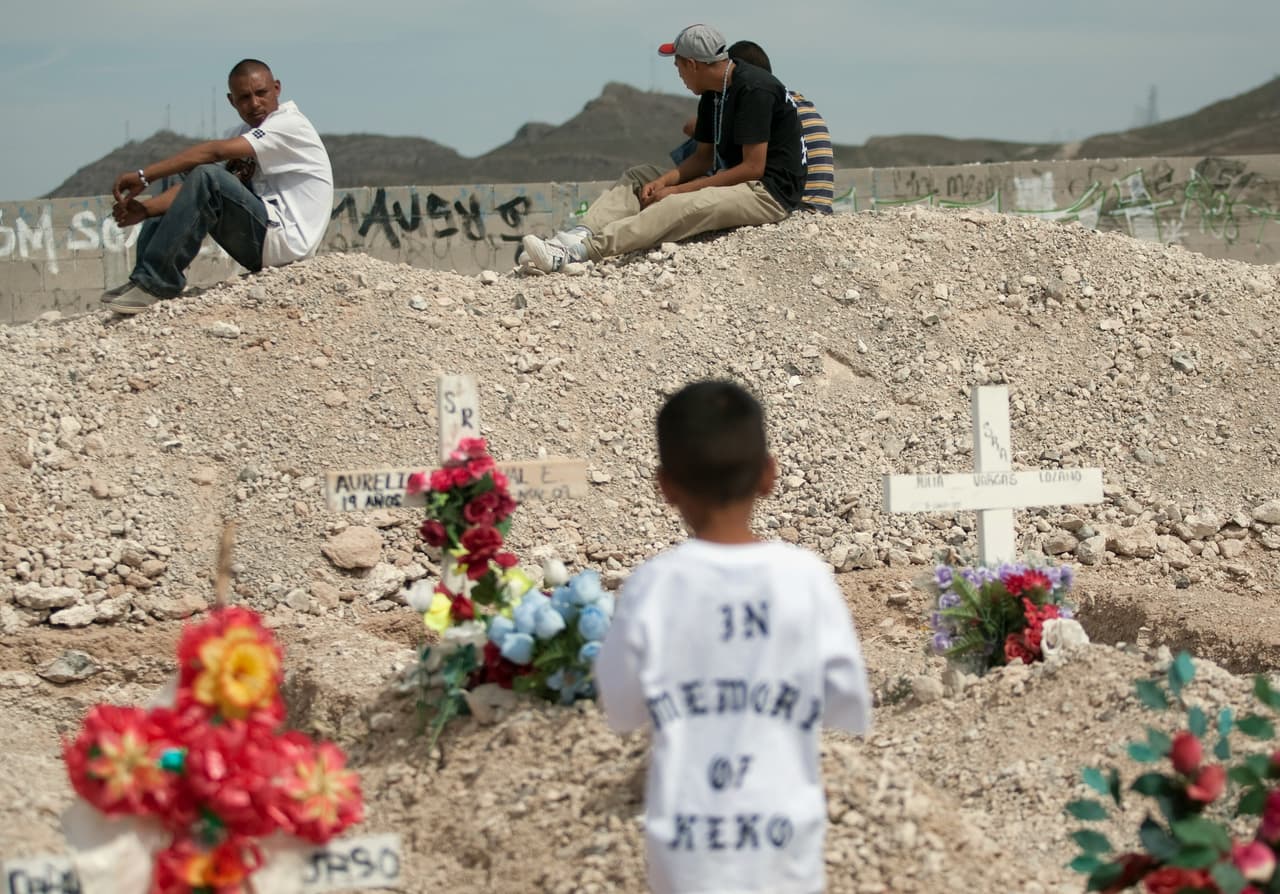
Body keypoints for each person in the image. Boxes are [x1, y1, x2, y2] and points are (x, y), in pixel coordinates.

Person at [596, 380, 871, 894]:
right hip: (786, 849)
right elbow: (848, 702)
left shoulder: (652, 586)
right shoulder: (805, 578)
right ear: (769, 474)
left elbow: (621, 707)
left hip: (685, 854)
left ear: (665, 486)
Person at [521, 24, 805, 274]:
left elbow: (752, 168)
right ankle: (577, 235)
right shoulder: (712, 93)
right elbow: (702, 158)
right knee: (640, 176)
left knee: (678, 203)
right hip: (734, 177)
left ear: (693, 64)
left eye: (678, 64)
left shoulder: (754, 89)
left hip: (766, 191)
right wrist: (662, 182)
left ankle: (577, 253)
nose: (677, 72)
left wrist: (677, 191)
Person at [102, 59, 333, 315]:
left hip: (288, 243)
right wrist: (146, 210)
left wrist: (145, 176)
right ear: (231, 101)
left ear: (277, 88)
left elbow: (212, 153)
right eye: (244, 97)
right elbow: (196, 190)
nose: (254, 103)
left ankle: (157, 284)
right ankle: (143, 280)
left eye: (261, 93)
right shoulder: (241, 132)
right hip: (262, 240)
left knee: (205, 174)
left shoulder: (289, 123)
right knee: (192, 176)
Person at [671, 40, 835, 214]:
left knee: (715, 141)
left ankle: (690, 180)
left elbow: (691, 128)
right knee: (720, 140)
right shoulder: (792, 100)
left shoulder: (758, 101)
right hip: (820, 203)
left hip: (794, 202)